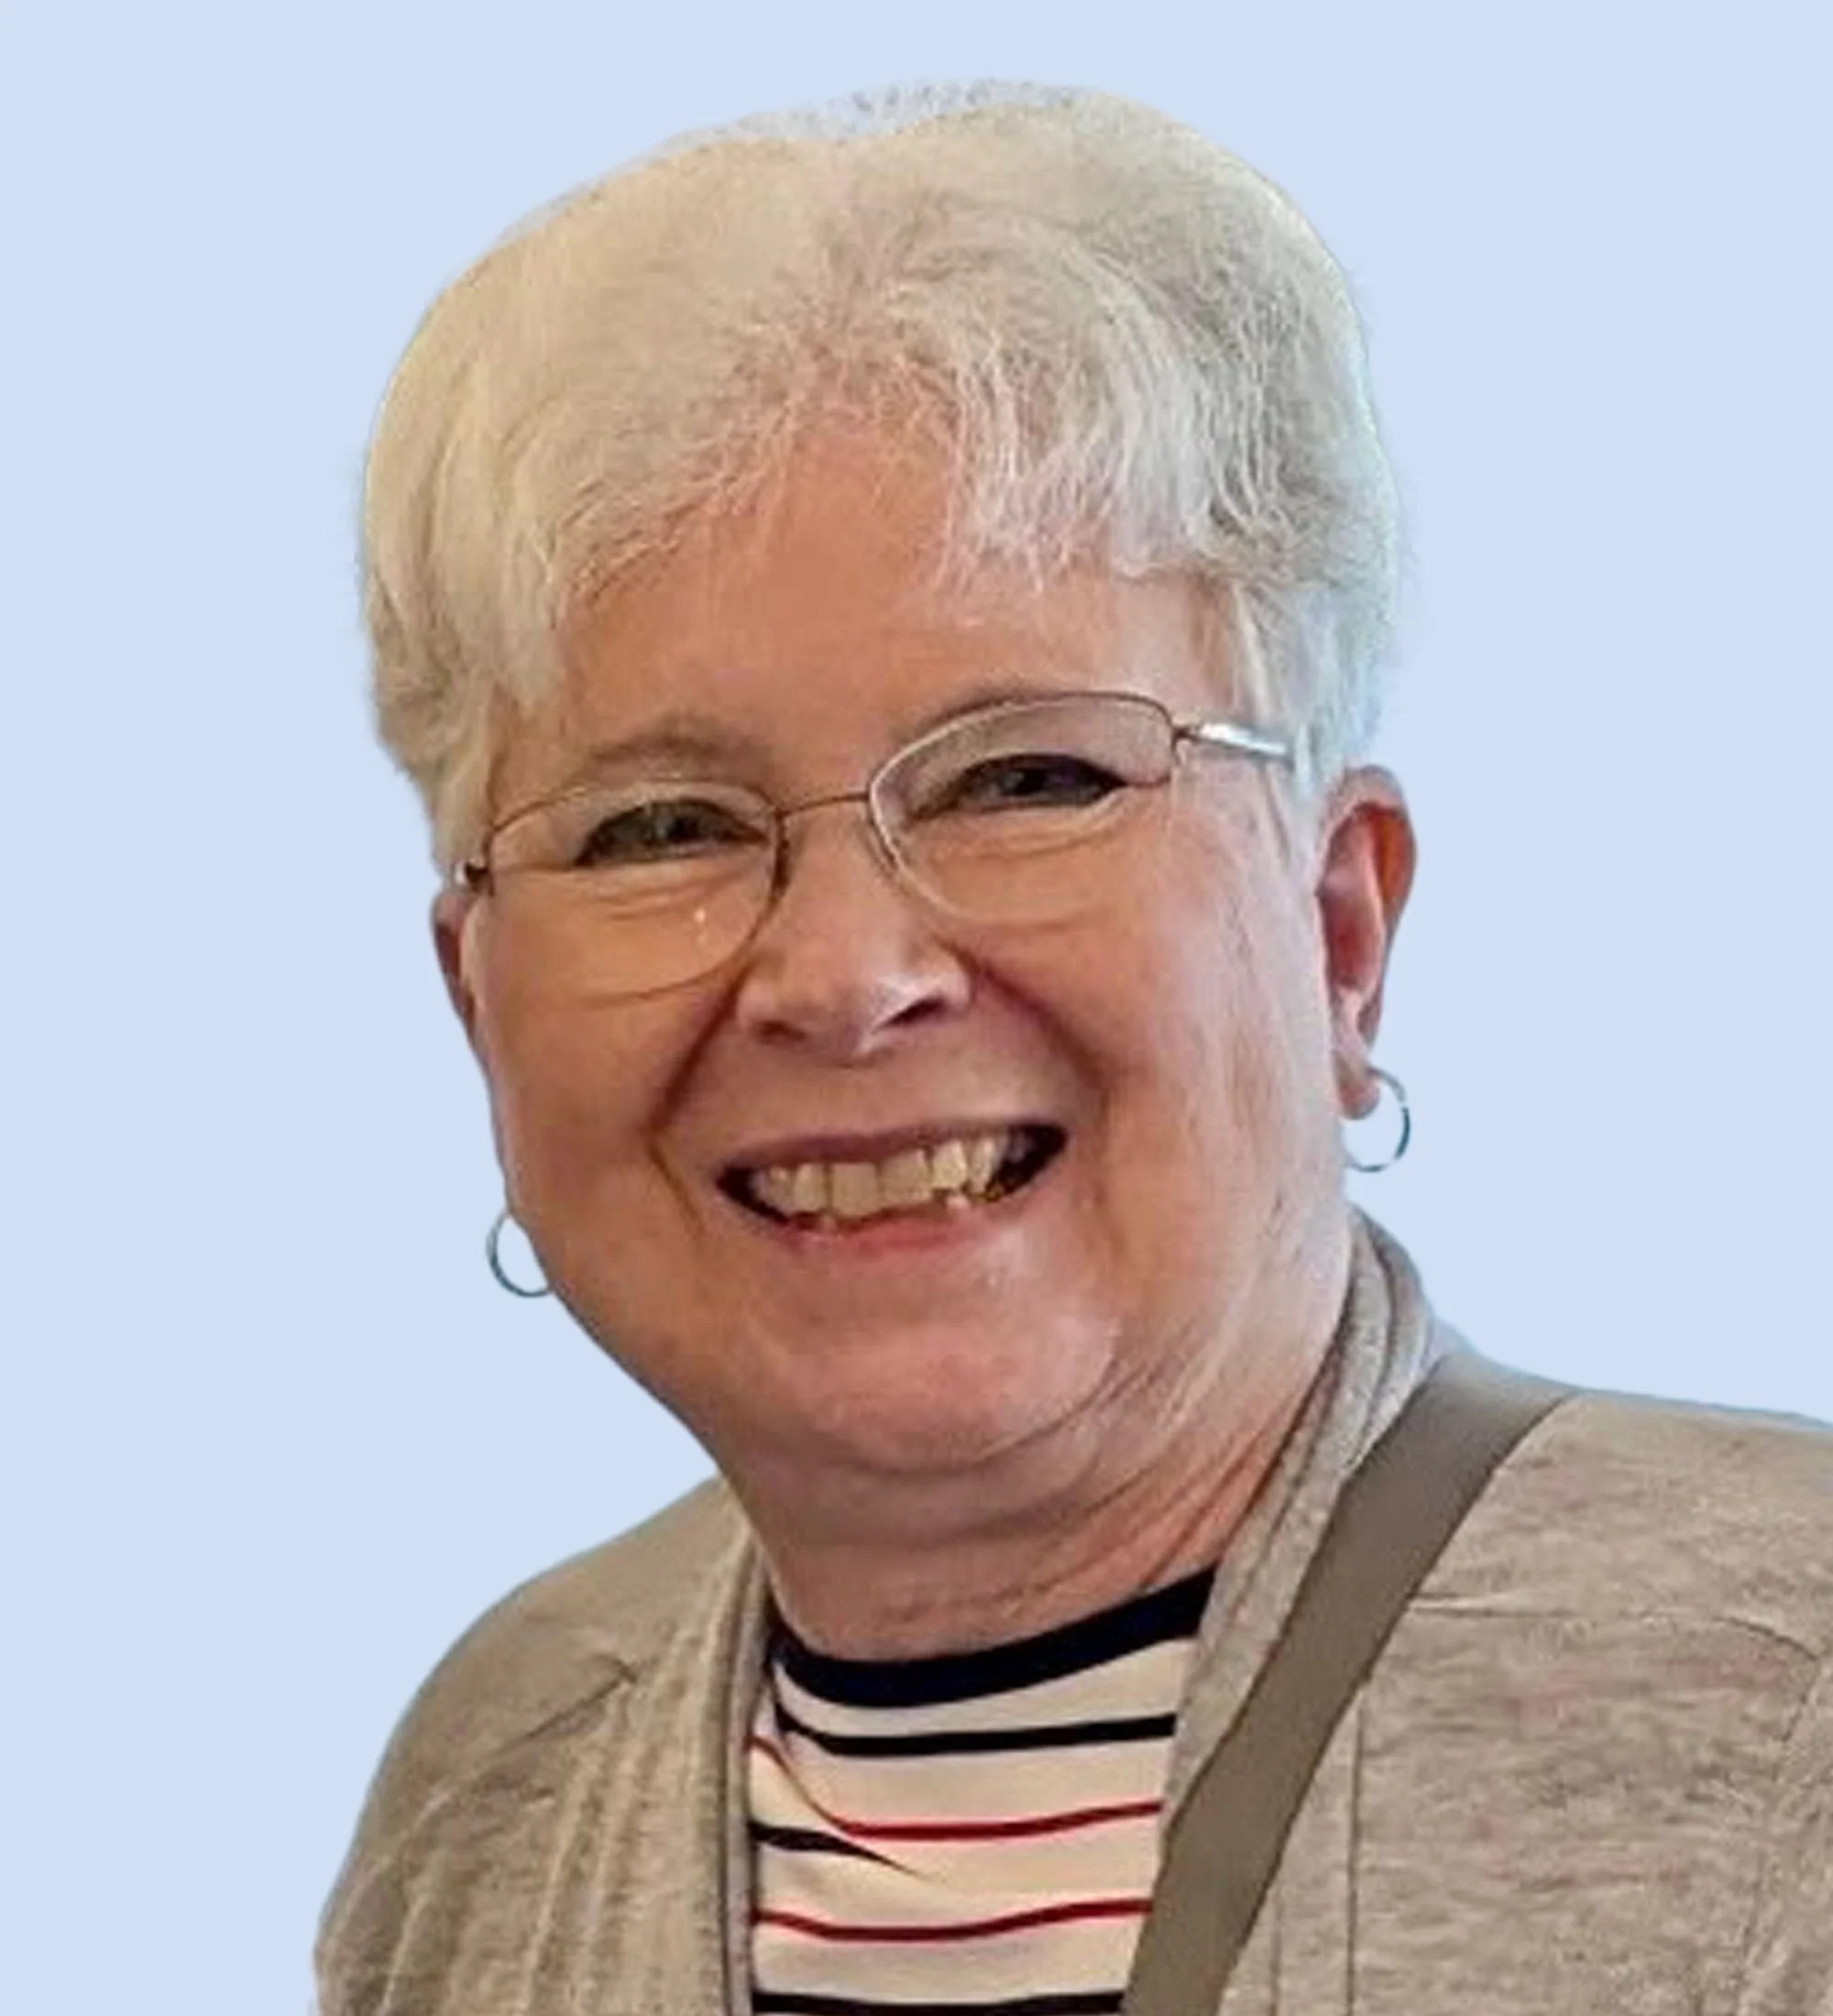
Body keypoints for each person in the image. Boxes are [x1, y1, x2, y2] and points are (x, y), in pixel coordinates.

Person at [315, 82, 1833, 2016]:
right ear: (478, 1002)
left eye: (1025, 777)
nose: (844, 974)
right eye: (659, 826)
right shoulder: (486, 1794)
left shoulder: (1787, 1712)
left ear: (1338, 927)